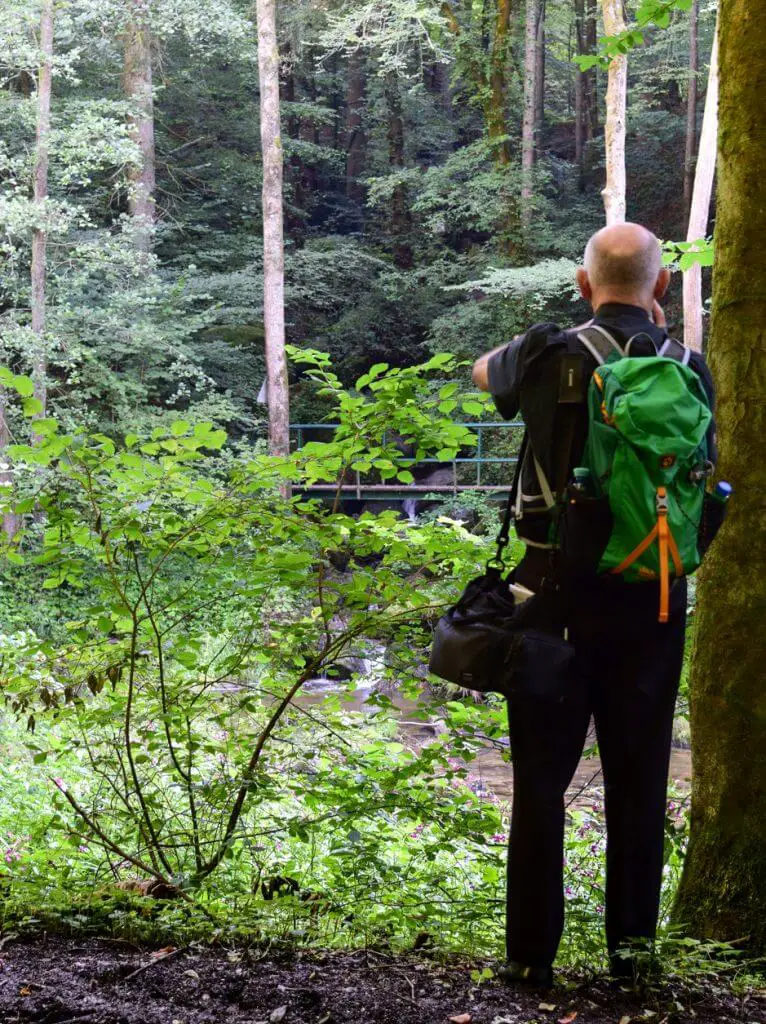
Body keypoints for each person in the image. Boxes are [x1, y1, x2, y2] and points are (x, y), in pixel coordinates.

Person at [471, 223, 716, 989]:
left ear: (583, 285)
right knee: (641, 784)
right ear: (663, 289)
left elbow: (482, 374)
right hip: (654, 600)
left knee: (540, 781)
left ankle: (529, 959)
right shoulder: (692, 369)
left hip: (550, 598)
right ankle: (632, 964)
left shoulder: (548, 354)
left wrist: (538, 336)